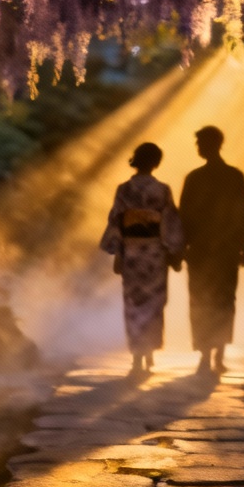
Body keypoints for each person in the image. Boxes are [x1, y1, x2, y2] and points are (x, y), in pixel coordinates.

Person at [179, 125, 244, 375]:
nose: (199, 149)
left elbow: (184, 217)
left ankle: (206, 354)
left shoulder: (195, 178)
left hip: (202, 250)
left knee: (202, 299)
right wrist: (243, 247)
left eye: (201, 144)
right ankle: (217, 355)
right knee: (224, 300)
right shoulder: (234, 176)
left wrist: (181, 246)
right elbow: (243, 214)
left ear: (212, 145)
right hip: (224, 250)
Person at [100, 142, 184, 378]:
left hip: (132, 253)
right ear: (156, 163)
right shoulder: (162, 190)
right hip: (155, 254)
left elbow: (116, 221)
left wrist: (117, 252)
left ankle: (138, 356)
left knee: (134, 304)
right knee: (154, 304)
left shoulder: (124, 190)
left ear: (136, 160)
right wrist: (174, 251)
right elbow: (170, 222)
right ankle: (148, 354)